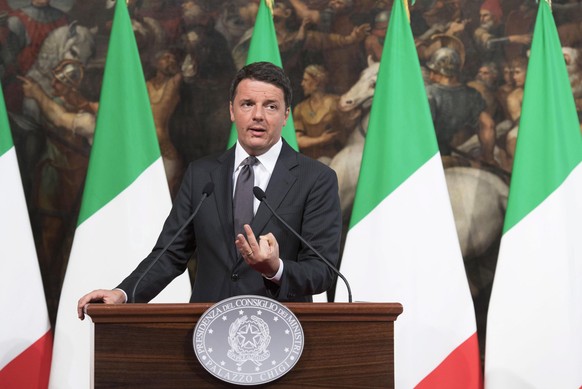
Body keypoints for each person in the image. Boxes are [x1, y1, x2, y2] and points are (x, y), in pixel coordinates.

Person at [77, 62, 342, 318]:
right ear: (231, 110)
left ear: (285, 116)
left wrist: (276, 269)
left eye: (270, 106)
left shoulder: (316, 179)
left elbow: (323, 270)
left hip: (279, 333)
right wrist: (123, 293)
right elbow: (170, 252)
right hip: (208, 330)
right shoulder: (201, 174)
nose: (258, 115)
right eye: (247, 104)